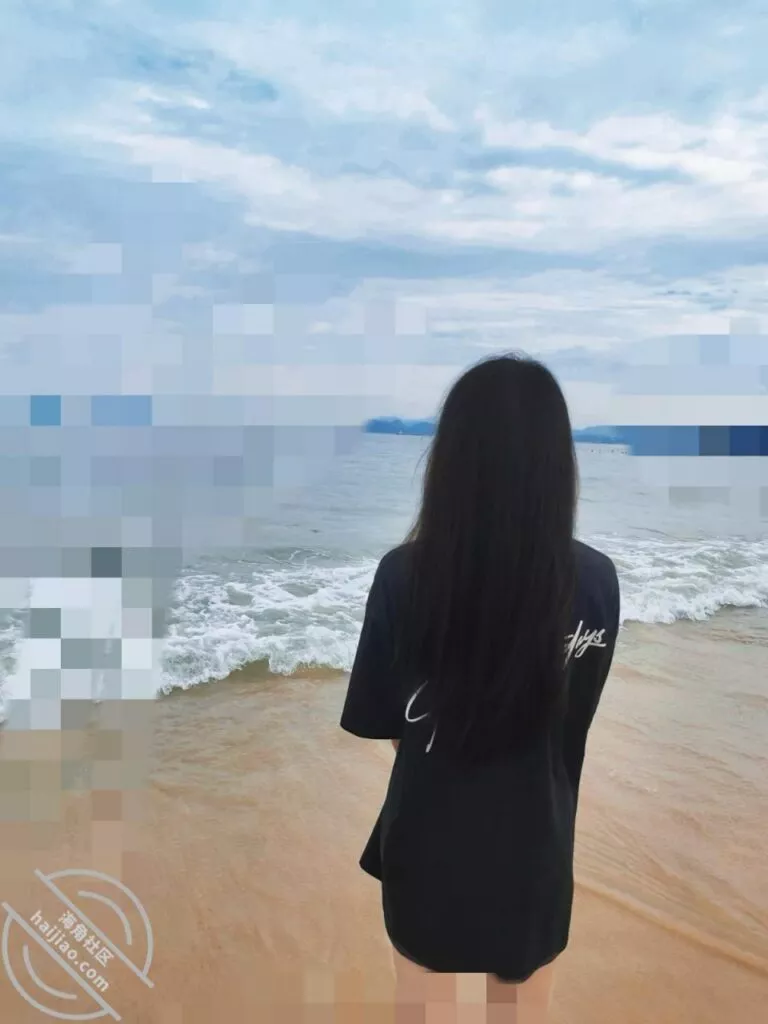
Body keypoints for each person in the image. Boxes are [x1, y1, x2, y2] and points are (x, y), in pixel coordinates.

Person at [340, 353, 621, 1020]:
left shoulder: (403, 577)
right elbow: (570, 718)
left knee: (424, 1010)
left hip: (428, 848)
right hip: (537, 852)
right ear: (557, 464)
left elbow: (389, 726)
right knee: (521, 1013)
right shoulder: (596, 581)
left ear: (451, 460)